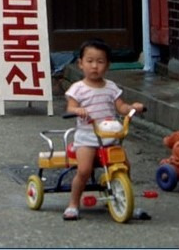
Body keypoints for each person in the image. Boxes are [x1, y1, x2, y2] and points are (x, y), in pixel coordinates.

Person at [62, 38, 146, 221]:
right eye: (90, 61)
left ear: (108, 65)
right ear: (81, 64)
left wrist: (132, 108)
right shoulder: (78, 88)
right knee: (84, 170)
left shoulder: (111, 88)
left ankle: (125, 199)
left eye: (100, 62)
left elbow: (121, 107)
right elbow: (70, 107)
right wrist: (78, 110)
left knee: (125, 166)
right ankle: (73, 204)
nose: (95, 66)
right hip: (87, 137)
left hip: (109, 136)